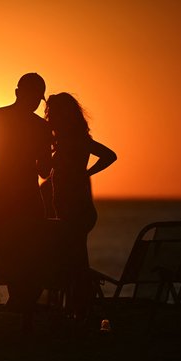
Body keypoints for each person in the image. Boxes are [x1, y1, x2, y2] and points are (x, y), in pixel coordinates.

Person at [0, 73, 54, 329]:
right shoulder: (40, 127)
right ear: (19, 93)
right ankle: (19, 315)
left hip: (1, 200)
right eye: (36, 97)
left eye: (39, 98)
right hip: (27, 203)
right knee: (27, 259)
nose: (36, 102)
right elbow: (44, 172)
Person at [45, 92, 116, 322]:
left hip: (77, 210)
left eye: (53, 112)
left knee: (75, 260)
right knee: (73, 258)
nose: (49, 116)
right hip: (70, 210)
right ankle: (78, 308)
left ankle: (80, 309)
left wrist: (86, 173)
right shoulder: (65, 139)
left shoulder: (75, 139)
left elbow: (109, 155)